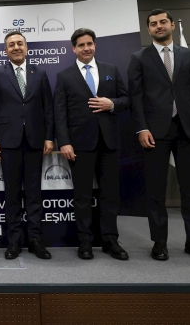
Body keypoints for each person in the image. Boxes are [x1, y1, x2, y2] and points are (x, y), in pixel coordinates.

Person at [127, 9, 190, 263]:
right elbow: (135, 97)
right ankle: (159, 242)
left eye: (163, 22)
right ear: (148, 29)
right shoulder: (139, 58)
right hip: (154, 132)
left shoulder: (189, 55)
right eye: (153, 24)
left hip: (188, 129)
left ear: (171, 25)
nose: (158, 26)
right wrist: (141, 128)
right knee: (155, 191)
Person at [54, 29, 130, 260]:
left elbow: (127, 100)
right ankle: (85, 241)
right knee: (82, 196)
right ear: (74, 49)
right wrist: (64, 142)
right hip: (79, 145)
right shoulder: (64, 76)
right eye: (81, 45)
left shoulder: (111, 70)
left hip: (109, 142)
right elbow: (59, 113)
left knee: (110, 195)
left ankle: (110, 240)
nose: (86, 48)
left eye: (89, 44)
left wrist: (112, 104)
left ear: (95, 45)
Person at [0, 31, 54, 260]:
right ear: (6, 50)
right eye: (11, 45)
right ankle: (14, 242)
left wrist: (49, 137)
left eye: (19, 43)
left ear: (26, 47)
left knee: (34, 194)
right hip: (8, 142)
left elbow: (48, 108)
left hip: (35, 141)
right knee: (12, 194)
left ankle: (35, 240)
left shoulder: (39, 73)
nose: (16, 47)